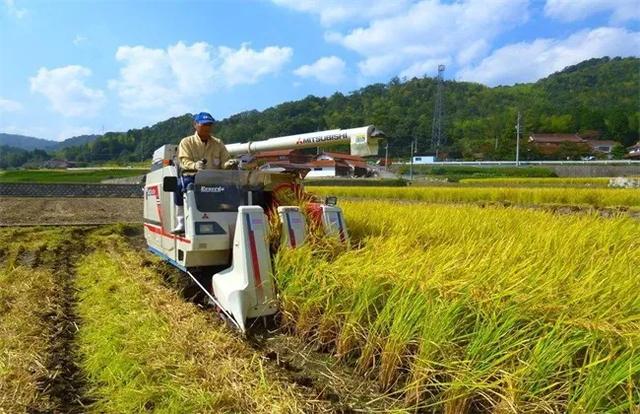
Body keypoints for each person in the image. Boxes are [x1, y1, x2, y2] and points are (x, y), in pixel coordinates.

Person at [172, 112, 238, 233]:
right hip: (193, 177)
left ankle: (233, 219)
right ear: (195, 125)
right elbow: (184, 160)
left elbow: (225, 161)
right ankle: (181, 221)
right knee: (180, 185)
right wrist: (195, 165)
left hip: (215, 178)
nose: (207, 127)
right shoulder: (187, 142)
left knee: (234, 188)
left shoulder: (218, 143)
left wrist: (229, 164)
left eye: (209, 124)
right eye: (204, 124)